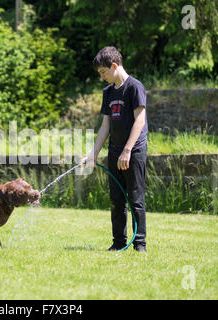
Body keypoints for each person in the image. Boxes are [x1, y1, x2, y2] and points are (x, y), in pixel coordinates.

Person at [82, 46, 148, 252]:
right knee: (116, 200)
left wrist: (127, 150)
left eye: (103, 72)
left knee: (135, 199)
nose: (102, 77)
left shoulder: (134, 87)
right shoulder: (108, 92)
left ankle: (140, 245)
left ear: (114, 66)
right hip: (114, 151)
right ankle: (119, 242)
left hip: (133, 151)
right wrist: (94, 153)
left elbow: (140, 121)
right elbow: (105, 126)